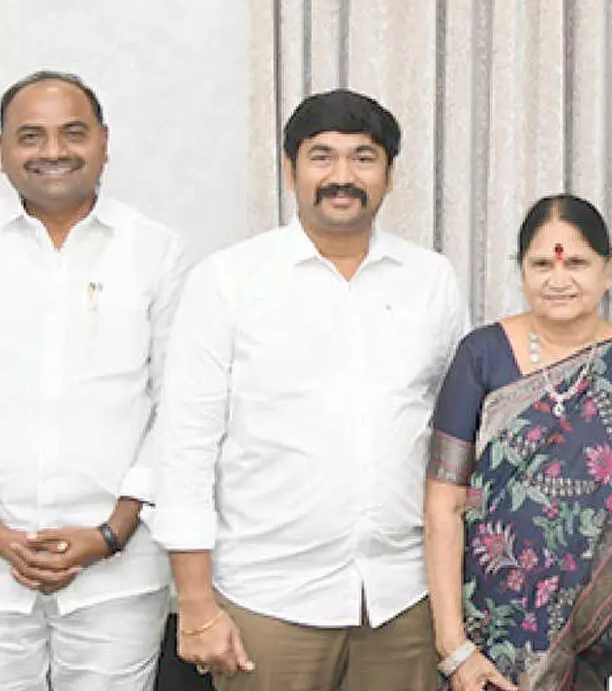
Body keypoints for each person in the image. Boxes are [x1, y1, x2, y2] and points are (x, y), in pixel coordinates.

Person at [154, 89, 467, 691]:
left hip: (403, 599)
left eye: (363, 157)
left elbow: (451, 432)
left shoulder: (432, 280)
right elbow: (185, 448)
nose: (342, 177)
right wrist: (195, 606)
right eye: (321, 157)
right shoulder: (228, 282)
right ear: (290, 169)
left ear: (390, 175)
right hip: (269, 601)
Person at [424, 194, 612, 690]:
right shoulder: (481, 356)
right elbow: (443, 506)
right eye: (541, 264)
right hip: (491, 645)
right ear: (521, 270)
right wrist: (454, 647)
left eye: (577, 263)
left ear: (608, 267)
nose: (558, 280)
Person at [0, 71, 185, 689]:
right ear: (3, 148)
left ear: (104, 142)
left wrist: (113, 532)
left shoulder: (155, 251)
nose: (53, 151)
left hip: (118, 571)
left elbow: (176, 405)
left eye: (72, 134)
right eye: (31, 136)